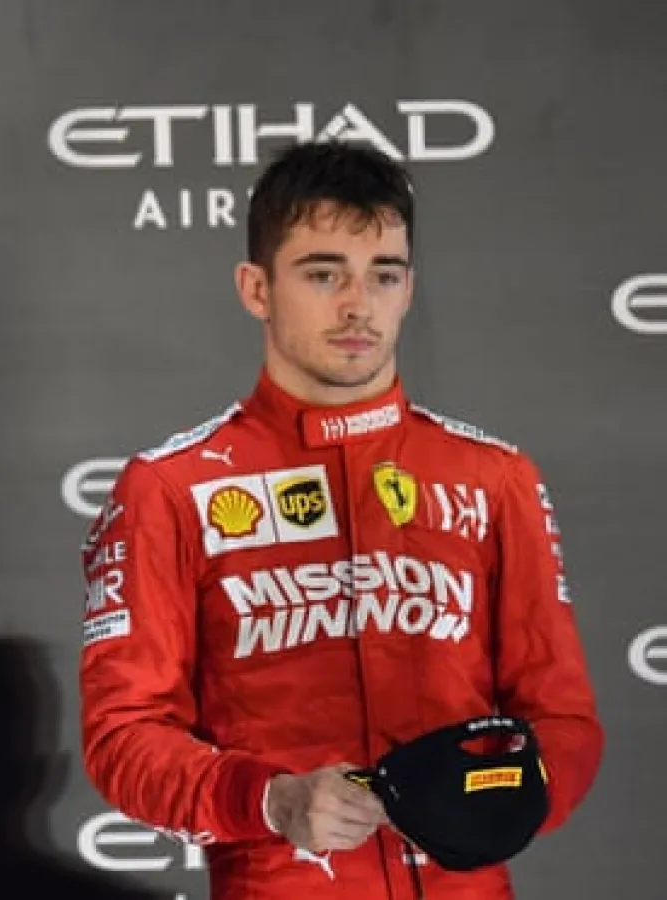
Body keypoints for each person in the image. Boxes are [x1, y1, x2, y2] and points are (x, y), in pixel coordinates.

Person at [77, 140, 603, 899]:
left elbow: (565, 721)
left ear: (409, 288)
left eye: (382, 275)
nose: (358, 304)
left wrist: (505, 794)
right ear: (256, 288)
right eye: (323, 274)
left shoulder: (494, 478)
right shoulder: (170, 488)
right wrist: (270, 799)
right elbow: (124, 740)